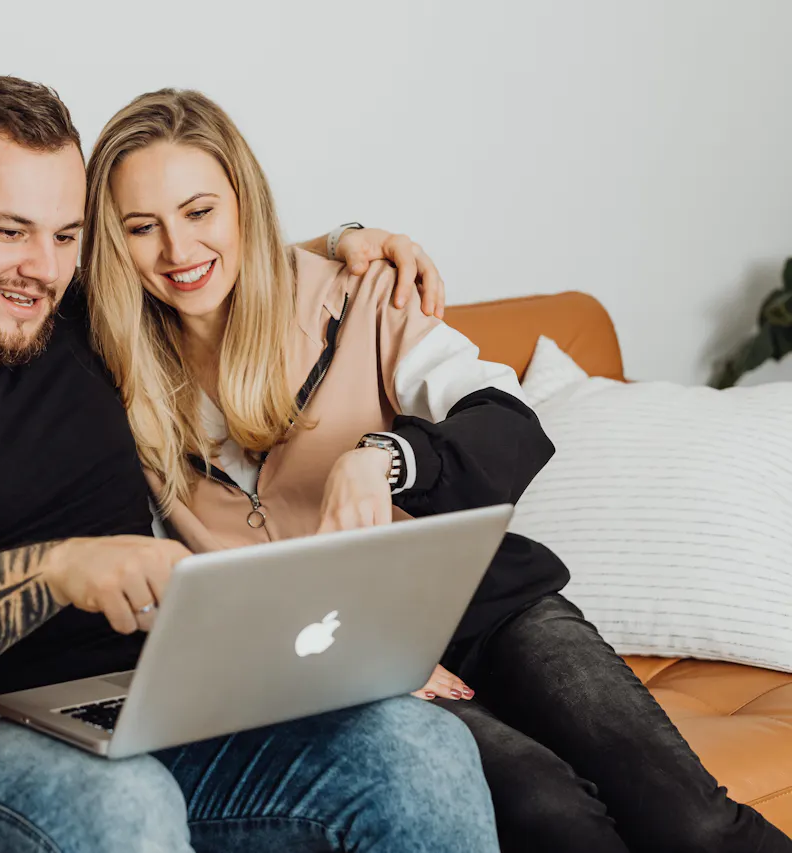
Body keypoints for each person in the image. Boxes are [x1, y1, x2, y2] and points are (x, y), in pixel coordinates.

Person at [0, 76, 498, 853]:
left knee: (419, 750)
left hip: (148, 706)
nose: (41, 268)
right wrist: (60, 569)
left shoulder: (80, 325)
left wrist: (348, 240)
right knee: (122, 800)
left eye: (66, 236)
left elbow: (199, 258)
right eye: (10, 231)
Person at [80, 87, 792, 853]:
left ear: (242, 203)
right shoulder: (108, 374)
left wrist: (385, 457)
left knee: (692, 821)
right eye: (142, 227)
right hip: (338, 660)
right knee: (552, 813)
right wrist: (361, 656)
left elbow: (508, 423)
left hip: (489, 605)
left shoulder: (362, 294)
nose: (178, 249)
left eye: (199, 211)